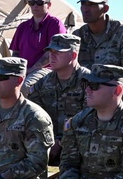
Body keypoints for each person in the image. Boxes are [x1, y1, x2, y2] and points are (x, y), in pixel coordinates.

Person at [72, 0, 123, 110]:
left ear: (105, 8)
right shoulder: (78, 36)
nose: (85, 8)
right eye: (83, 4)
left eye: (92, 4)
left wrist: (103, 95)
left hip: (118, 97)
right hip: (87, 96)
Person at [26, 34, 91, 165]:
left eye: (58, 52)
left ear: (73, 56)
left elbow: (91, 119)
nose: (52, 56)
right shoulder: (44, 82)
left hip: (80, 144)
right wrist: (48, 141)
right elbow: (33, 115)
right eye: (51, 52)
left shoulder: (89, 81)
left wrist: (62, 142)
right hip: (48, 142)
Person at [10, 0, 67, 73]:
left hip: (45, 70)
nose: (35, 6)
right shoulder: (22, 27)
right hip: (23, 71)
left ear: (48, 5)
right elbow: (16, 52)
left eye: (40, 2)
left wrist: (32, 69)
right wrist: (16, 69)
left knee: (25, 85)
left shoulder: (54, 24)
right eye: (32, 3)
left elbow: (52, 52)